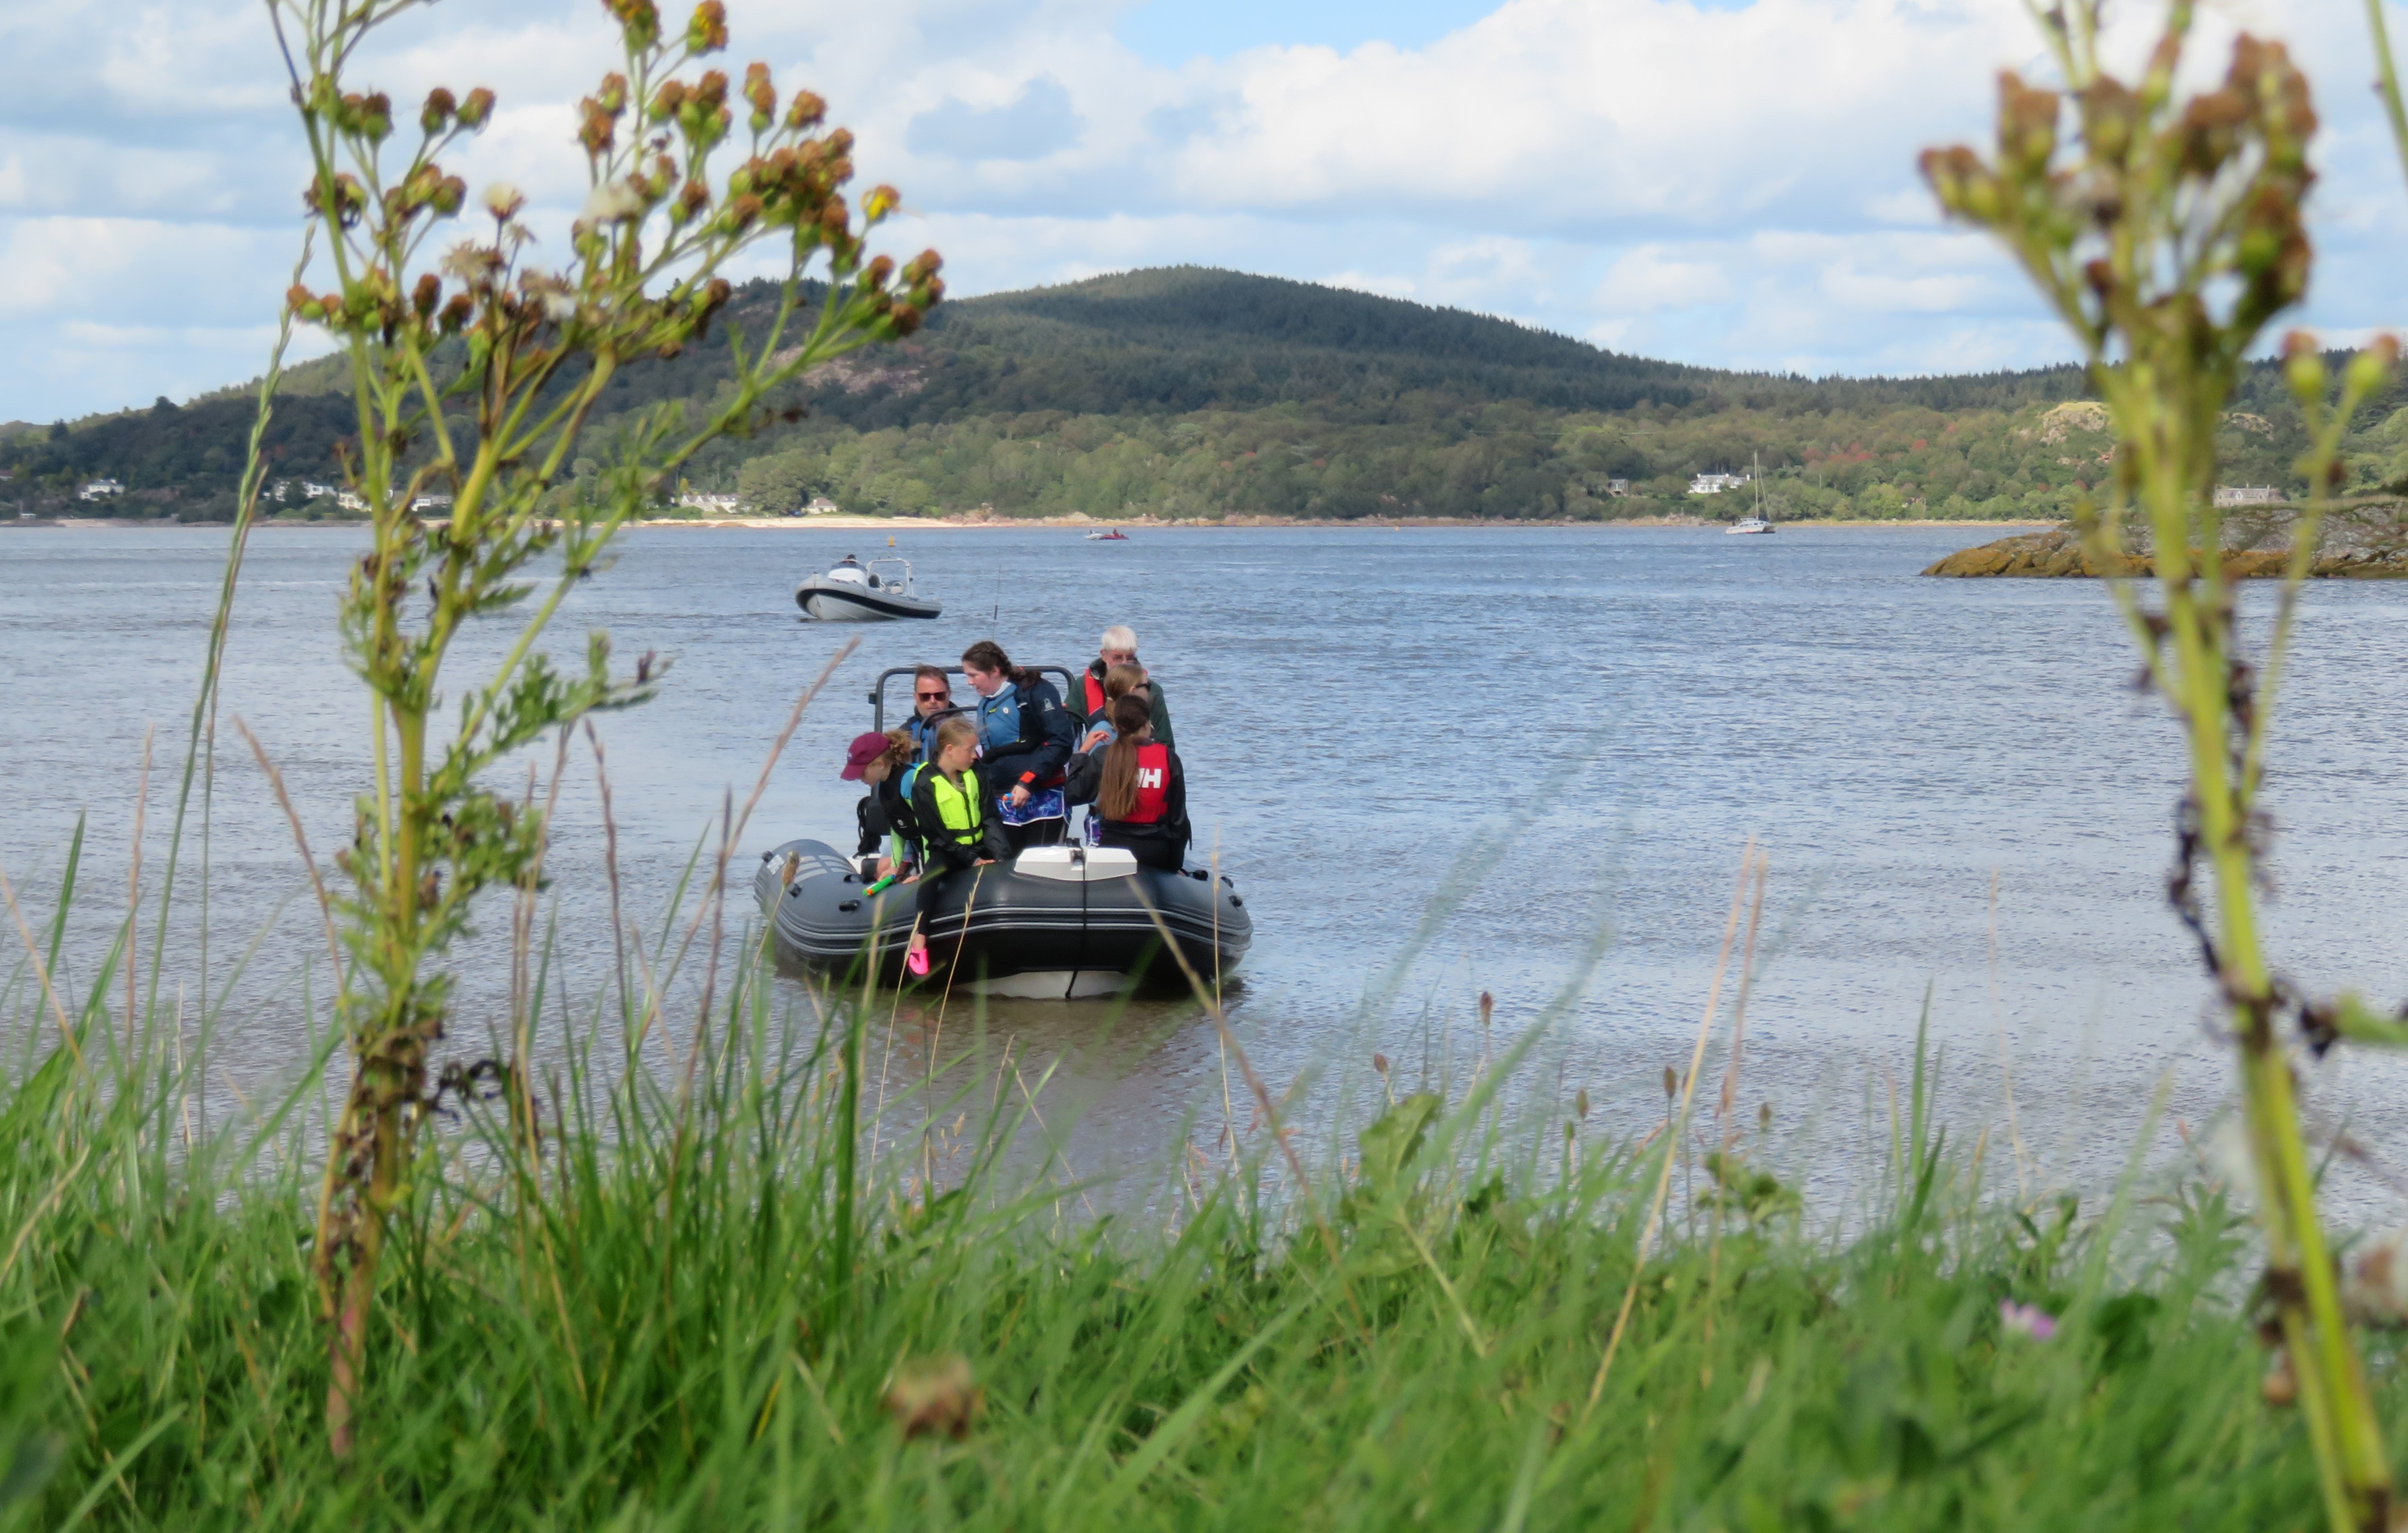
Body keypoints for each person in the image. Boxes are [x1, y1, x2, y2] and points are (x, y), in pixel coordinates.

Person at [903, 716, 1008, 976]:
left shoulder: (978, 774)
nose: (975, 756)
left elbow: (990, 817)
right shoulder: (924, 785)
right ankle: (919, 940)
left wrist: (1000, 855)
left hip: (980, 845)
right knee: (933, 874)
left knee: (1007, 859)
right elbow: (937, 836)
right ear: (950, 750)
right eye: (970, 750)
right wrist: (971, 860)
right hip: (949, 851)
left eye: (976, 749)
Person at [960, 639, 1078, 849]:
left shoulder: (1034, 691)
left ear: (995, 671)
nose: (969, 682)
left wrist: (1027, 782)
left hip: (1043, 797)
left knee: (1039, 867)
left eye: (973, 675)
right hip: (1003, 799)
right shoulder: (984, 704)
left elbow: (1061, 740)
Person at [1090, 692, 1190, 872]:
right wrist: (1175, 866)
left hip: (1112, 848)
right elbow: (1178, 821)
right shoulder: (1168, 758)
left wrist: (1081, 754)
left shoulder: (1104, 755)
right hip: (1154, 851)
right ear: (1146, 725)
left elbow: (1075, 794)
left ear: (1116, 726)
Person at [1064, 663, 1147, 806]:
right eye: (1147, 687)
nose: (1150, 692)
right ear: (1133, 691)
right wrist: (1082, 753)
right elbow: (1084, 789)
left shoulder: (1140, 726)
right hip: (1106, 816)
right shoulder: (1105, 732)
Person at [843, 729, 921, 879]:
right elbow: (898, 829)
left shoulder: (909, 781)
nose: (859, 778)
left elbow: (928, 829)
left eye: (862, 772)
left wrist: (926, 873)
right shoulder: (885, 787)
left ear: (880, 764)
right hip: (919, 846)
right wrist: (895, 866)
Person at [1082, 625, 1173, 746]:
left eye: (1130, 658)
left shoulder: (1152, 690)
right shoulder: (1082, 686)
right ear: (1104, 655)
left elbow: (1166, 743)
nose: (1125, 663)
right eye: (1117, 658)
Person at [903, 664, 956, 762]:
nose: (933, 701)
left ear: (949, 695)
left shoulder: (967, 730)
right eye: (925, 696)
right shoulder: (904, 735)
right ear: (916, 697)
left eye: (939, 695)